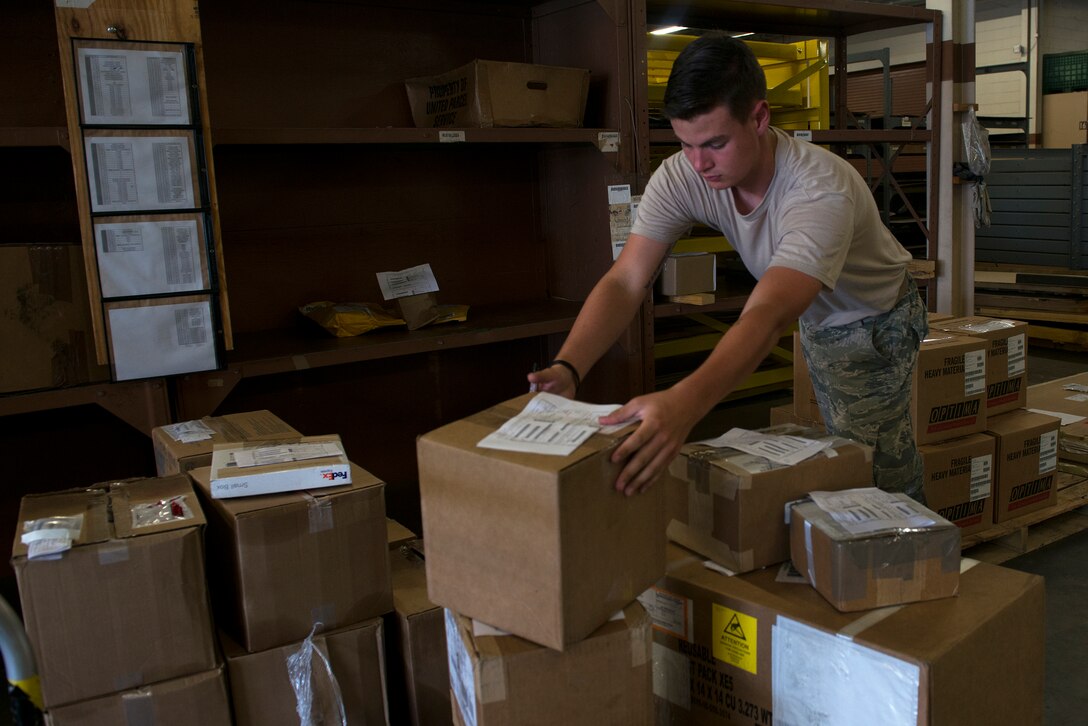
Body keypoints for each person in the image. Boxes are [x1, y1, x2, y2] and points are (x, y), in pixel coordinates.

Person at [528, 32, 928, 502]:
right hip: (819, 317)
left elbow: (768, 314)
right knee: (846, 453)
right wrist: (569, 367)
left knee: (876, 469)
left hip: (873, 319)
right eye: (685, 143)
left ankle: (924, 562)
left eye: (715, 143)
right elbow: (626, 278)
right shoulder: (683, 172)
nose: (698, 163)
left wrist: (685, 404)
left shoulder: (819, 189)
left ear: (759, 117)